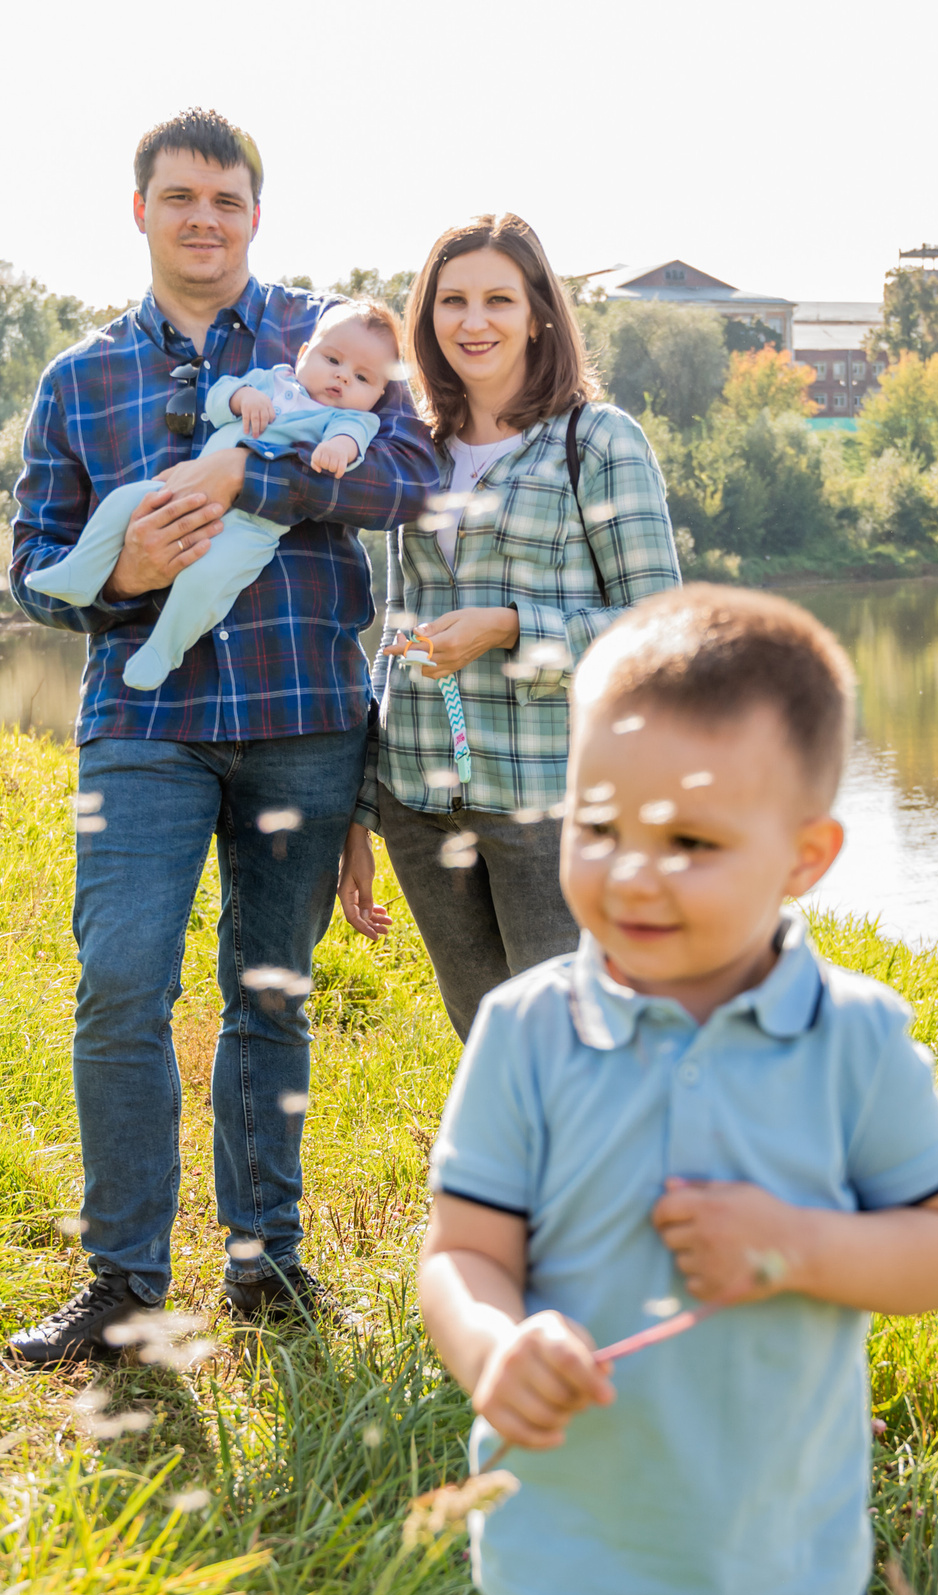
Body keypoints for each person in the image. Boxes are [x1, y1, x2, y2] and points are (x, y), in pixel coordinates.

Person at [416, 586, 938, 1595]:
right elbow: (461, 1252)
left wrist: (796, 1244)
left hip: (788, 1584)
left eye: (689, 841)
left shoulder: (855, 1038)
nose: (633, 872)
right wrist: (493, 1348)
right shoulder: (526, 1030)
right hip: (565, 1578)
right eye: (597, 827)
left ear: (804, 856)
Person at [3, 108, 441, 1360]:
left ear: (257, 213)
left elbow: (409, 478)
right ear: (139, 208)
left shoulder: (333, 335)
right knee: (121, 982)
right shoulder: (78, 377)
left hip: (303, 717)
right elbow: (33, 570)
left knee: (271, 993)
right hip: (142, 723)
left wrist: (254, 478)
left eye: (227, 199)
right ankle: (123, 1288)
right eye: (181, 197)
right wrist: (125, 571)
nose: (205, 219)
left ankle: (267, 1268)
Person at [336, 214, 679, 1039]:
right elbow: (400, 634)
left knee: (576, 1048)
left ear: (538, 315)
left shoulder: (596, 441)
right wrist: (363, 810)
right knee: (489, 1045)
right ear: (427, 319)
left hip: (551, 804)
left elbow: (661, 637)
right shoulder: (413, 449)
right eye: (451, 300)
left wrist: (512, 627)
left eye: (499, 299)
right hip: (420, 805)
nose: (473, 321)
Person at [23, 300, 404, 691]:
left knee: (207, 577)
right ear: (304, 353)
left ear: (379, 393)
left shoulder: (348, 418)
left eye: (362, 377)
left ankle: (164, 648)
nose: (342, 377)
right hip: (184, 490)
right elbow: (218, 399)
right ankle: (81, 571)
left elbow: (352, 441)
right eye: (333, 360)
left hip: (251, 526)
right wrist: (243, 397)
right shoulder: (271, 380)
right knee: (122, 502)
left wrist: (338, 449)